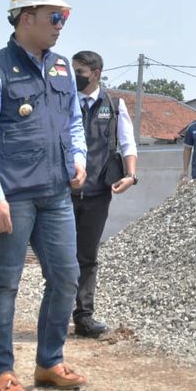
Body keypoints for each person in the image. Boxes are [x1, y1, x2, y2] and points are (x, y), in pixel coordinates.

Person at [0, 0, 88, 391]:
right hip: (13, 196)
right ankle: (2, 371)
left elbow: (73, 120)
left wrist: (79, 157)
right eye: (56, 16)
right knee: (4, 284)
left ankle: (49, 361)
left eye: (64, 16)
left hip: (55, 194)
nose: (61, 23)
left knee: (67, 277)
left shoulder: (62, 66)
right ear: (26, 17)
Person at [69, 51, 137, 339]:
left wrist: (131, 176)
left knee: (87, 255)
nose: (75, 76)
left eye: (80, 71)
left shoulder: (114, 104)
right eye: (73, 70)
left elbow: (127, 142)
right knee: (60, 255)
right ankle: (56, 314)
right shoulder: (65, 101)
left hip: (98, 192)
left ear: (96, 73)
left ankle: (84, 316)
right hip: (64, 191)